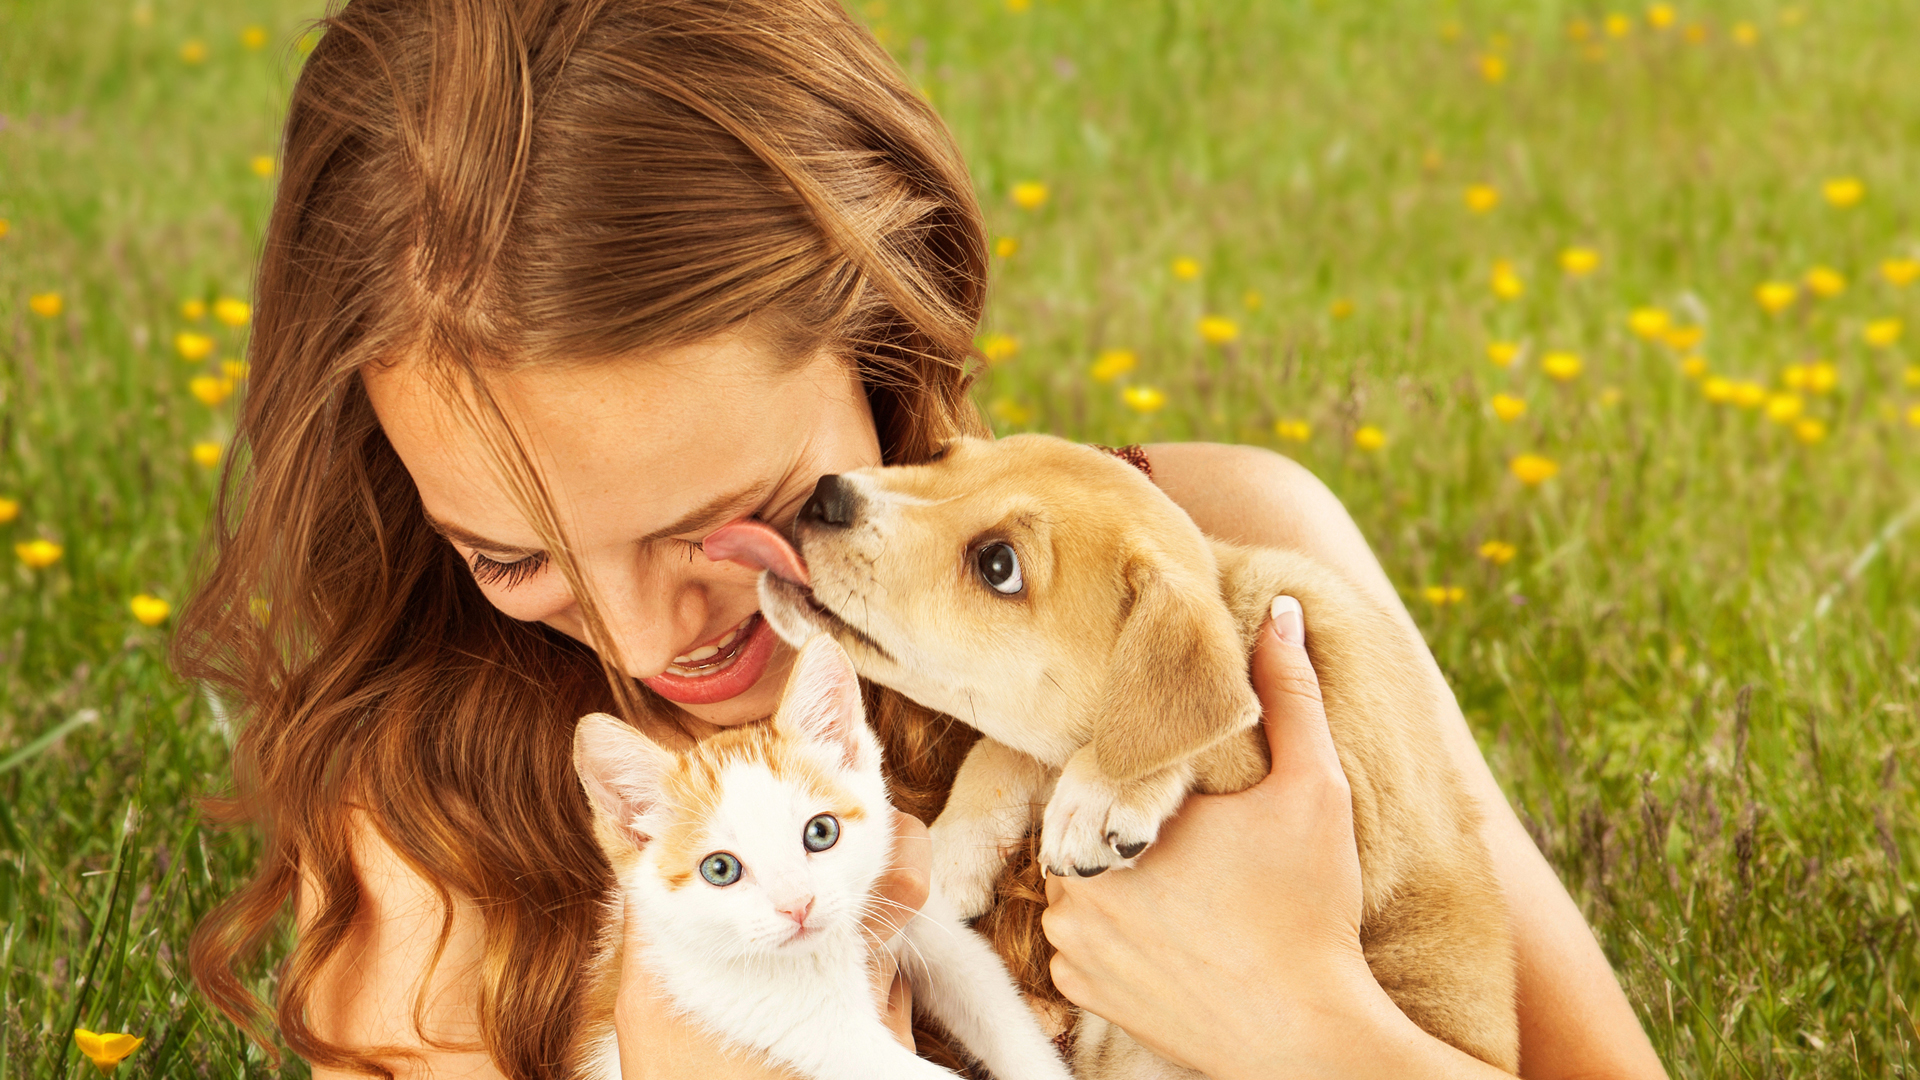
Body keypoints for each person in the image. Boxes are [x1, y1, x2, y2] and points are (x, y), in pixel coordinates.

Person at [176, 1, 1668, 1078]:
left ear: (892, 333)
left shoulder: (1220, 580)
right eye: (515, 557)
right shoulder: (439, 851)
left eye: (727, 520)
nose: (650, 641)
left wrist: (1304, 1021)